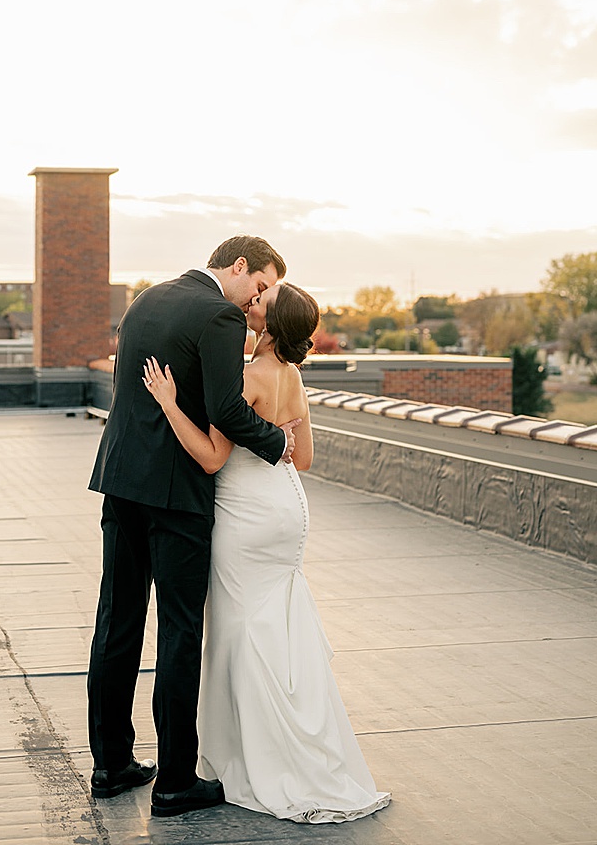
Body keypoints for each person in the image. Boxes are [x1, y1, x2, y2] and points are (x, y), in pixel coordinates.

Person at [141, 282, 391, 822]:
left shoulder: (248, 378)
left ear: (270, 325)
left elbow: (210, 458)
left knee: (238, 633)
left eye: (259, 304)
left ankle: (251, 755)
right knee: (275, 628)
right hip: (287, 511)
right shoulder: (294, 377)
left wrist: (168, 404)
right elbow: (301, 459)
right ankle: (294, 743)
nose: (249, 305)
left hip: (245, 517)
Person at [86, 235, 294, 817]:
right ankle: (176, 781)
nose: (257, 302)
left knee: (118, 619)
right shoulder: (221, 315)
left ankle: (111, 764)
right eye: (259, 287)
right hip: (176, 494)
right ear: (238, 266)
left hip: (121, 480)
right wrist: (279, 442)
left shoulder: (146, 298)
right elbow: (228, 410)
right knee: (180, 630)